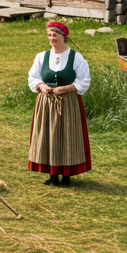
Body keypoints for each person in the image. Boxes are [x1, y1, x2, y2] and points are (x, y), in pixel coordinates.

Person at [27, 20, 91, 186]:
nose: (51, 38)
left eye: (54, 35)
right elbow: (33, 77)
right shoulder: (41, 56)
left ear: (64, 36)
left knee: (68, 136)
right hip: (46, 103)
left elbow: (84, 80)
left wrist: (67, 88)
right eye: (49, 35)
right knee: (48, 136)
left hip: (68, 103)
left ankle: (67, 176)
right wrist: (41, 85)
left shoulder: (76, 57)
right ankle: (52, 175)